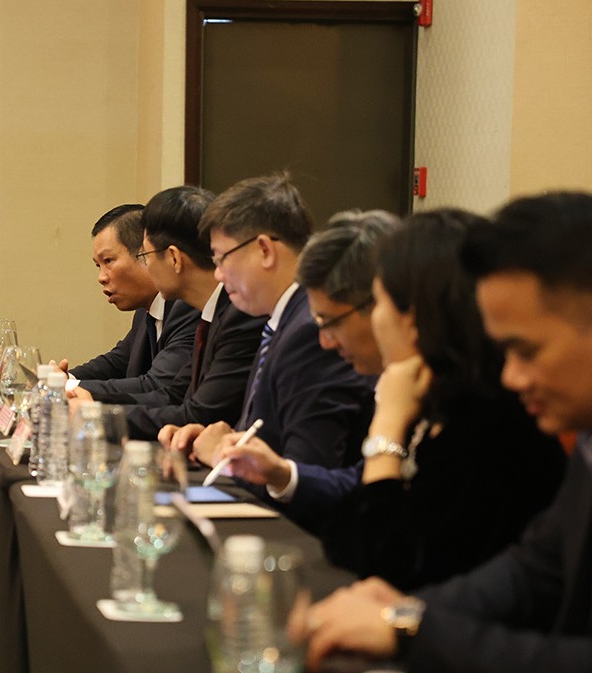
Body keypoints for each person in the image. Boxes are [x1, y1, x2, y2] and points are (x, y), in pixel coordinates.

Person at [302, 192, 592, 673]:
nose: (512, 377)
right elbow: (531, 571)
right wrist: (400, 608)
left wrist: (409, 627)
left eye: (525, 351)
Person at [318, 211, 566, 589]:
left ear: (413, 320)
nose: (375, 319)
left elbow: (387, 570)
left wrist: (386, 429)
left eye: (379, 302)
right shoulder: (433, 402)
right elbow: (341, 538)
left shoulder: (493, 424)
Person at [161, 174, 374, 475]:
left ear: (264, 250)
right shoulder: (283, 320)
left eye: (221, 258)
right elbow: (272, 439)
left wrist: (220, 456)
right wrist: (223, 441)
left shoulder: (309, 331)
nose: (218, 275)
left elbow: (303, 469)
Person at [215, 209, 399, 524]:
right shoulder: (395, 382)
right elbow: (357, 482)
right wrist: (280, 474)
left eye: (330, 322)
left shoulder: (437, 394)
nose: (325, 341)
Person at [74, 187, 265, 439]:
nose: (145, 265)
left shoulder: (238, 316)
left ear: (174, 258)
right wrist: (88, 402)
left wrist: (96, 416)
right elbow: (174, 394)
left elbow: (199, 414)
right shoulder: (211, 313)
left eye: (145, 255)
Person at [66, 204, 200, 398]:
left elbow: (158, 386)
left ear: (146, 254)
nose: (101, 277)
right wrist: (66, 378)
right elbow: (118, 361)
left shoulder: (189, 307)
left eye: (108, 261)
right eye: (98, 266)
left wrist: (67, 388)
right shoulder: (145, 310)